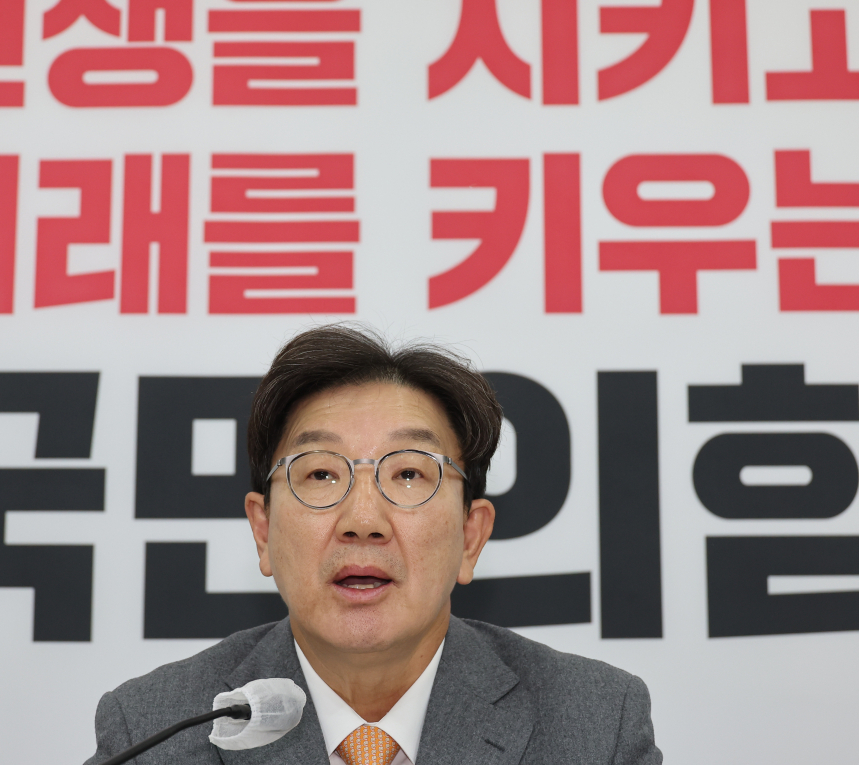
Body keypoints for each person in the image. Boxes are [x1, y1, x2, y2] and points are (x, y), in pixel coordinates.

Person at [85, 324, 662, 764]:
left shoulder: (594, 725)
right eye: (320, 475)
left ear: (470, 535)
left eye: (409, 474)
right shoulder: (155, 731)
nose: (363, 520)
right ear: (262, 531)